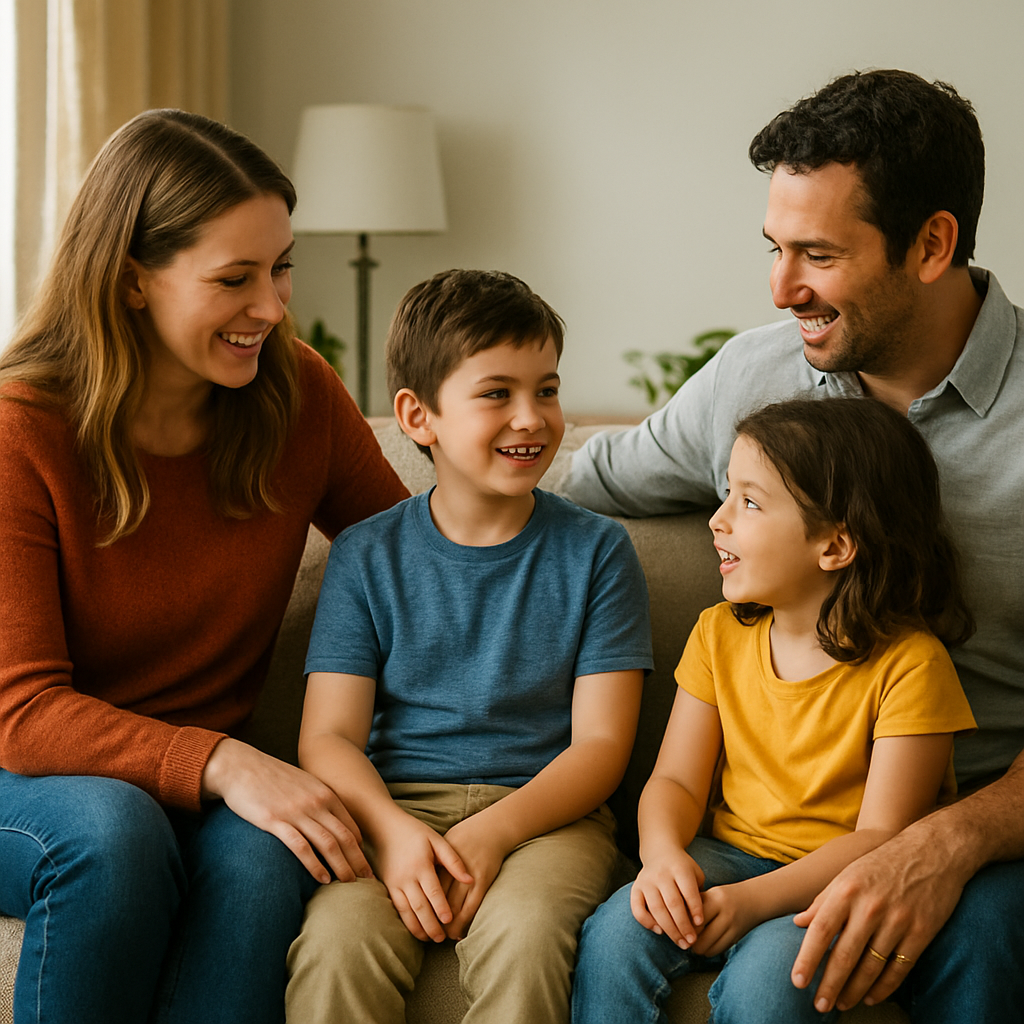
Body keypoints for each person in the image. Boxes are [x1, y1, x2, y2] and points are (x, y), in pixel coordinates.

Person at [562, 69, 1024, 1021]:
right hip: (760, 828)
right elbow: (577, 490)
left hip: (990, 819)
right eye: (774, 247)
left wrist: (951, 842)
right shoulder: (755, 378)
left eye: (816, 252)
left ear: (932, 243)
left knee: (975, 945)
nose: (781, 289)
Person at [0, 109, 409, 1024]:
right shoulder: (20, 430)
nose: (271, 307)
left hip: (186, 786)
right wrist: (225, 761)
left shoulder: (296, 391)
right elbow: (22, 714)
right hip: (24, 781)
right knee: (114, 831)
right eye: (235, 278)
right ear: (133, 281)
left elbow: (411, 563)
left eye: (281, 267)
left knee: (277, 850)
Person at [284, 269, 653, 1024]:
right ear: (419, 416)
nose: (533, 417)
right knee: (336, 942)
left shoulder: (598, 553)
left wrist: (492, 832)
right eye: (497, 393)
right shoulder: (364, 555)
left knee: (524, 936)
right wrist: (391, 833)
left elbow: (602, 747)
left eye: (546, 390)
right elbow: (327, 738)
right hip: (391, 808)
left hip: (549, 820)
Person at [571, 397, 976, 1023]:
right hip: (727, 855)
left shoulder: (913, 667)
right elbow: (676, 780)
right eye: (726, 494)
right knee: (614, 936)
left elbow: (880, 840)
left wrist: (751, 902)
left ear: (835, 545)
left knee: (768, 985)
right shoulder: (717, 635)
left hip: (840, 879)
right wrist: (662, 856)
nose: (718, 520)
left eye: (749, 503)